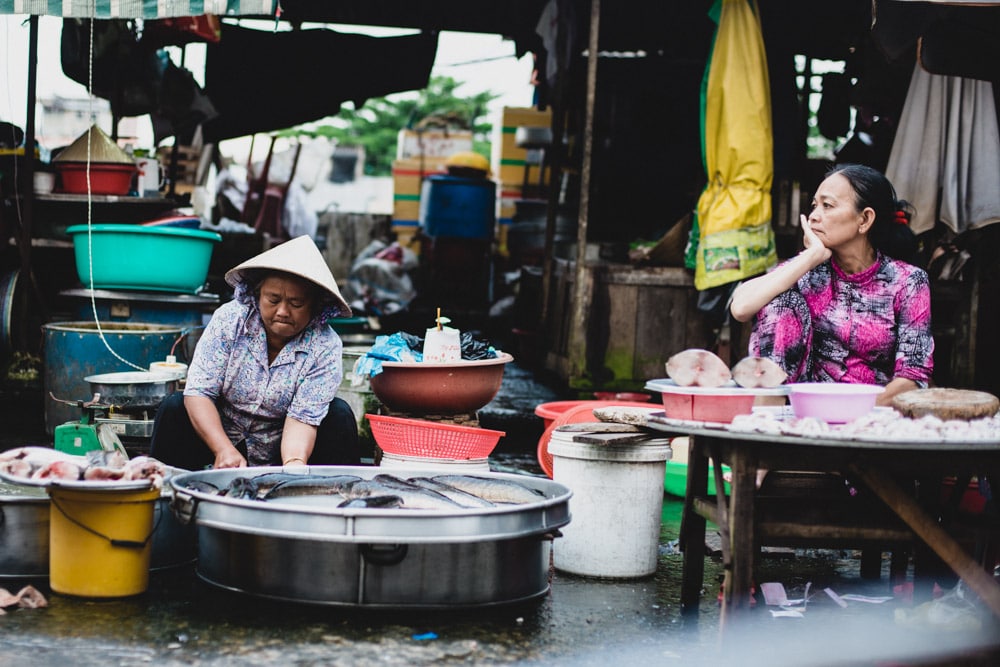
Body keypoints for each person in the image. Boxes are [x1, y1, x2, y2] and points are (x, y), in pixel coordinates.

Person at [729, 163, 934, 406]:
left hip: (873, 414)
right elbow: (740, 307)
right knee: (781, 302)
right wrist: (811, 256)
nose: (814, 215)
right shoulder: (807, 270)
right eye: (815, 205)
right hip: (803, 411)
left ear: (865, 219)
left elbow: (913, 377)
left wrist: (845, 412)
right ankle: (767, 430)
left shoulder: (908, 282)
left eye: (827, 206)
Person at [150, 235, 361, 469]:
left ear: (314, 306)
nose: (282, 311)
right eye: (273, 299)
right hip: (217, 437)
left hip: (280, 443)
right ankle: (167, 498)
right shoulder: (230, 320)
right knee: (174, 407)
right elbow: (199, 392)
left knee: (339, 414)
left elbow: (302, 419)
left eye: (296, 303)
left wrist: (293, 464)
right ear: (257, 295)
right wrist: (223, 450)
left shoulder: (325, 345)